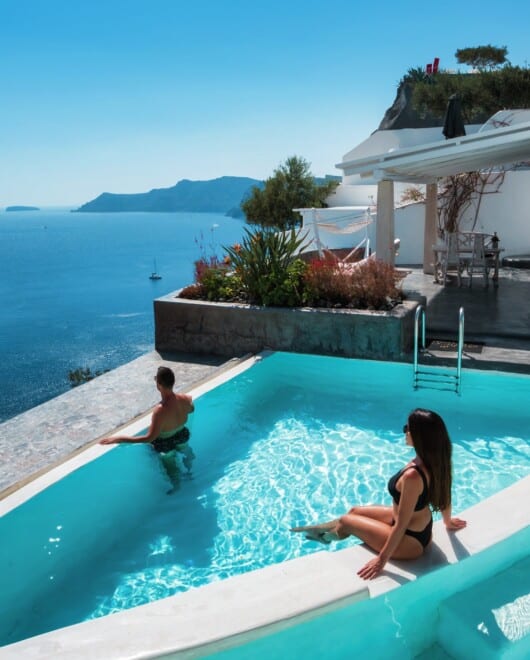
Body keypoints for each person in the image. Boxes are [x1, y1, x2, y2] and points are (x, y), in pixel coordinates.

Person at [290, 408, 466, 580]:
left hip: (410, 542)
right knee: (354, 511)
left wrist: (381, 561)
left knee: (346, 521)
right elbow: (445, 493)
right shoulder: (433, 460)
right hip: (418, 526)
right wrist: (447, 521)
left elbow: (401, 525)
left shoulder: (414, 476)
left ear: (419, 436)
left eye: (408, 428)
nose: (405, 432)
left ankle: (324, 537)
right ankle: (319, 529)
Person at [99, 366, 195, 491]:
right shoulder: (186, 399)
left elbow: (149, 438)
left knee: (170, 465)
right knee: (187, 452)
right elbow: (191, 409)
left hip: (165, 444)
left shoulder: (160, 411)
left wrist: (121, 438)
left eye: (156, 379)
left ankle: (177, 487)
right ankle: (189, 469)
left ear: (159, 384)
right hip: (182, 435)